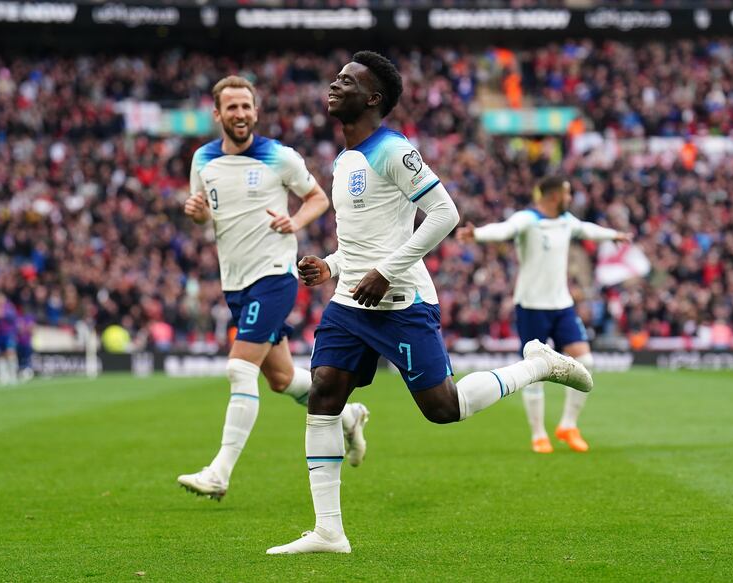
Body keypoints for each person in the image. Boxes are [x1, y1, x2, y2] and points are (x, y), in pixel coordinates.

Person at [266, 52, 593, 555]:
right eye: (336, 77)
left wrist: (388, 270)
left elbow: (444, 213)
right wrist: (331, 267)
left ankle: (537, 365)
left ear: (373, 98)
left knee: (443, 408)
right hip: (351, 301)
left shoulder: (393, 150)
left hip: (400, 299)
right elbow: (361, 243)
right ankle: (329, 531)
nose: (333, 84)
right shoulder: (344, 159)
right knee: (324, 396)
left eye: (347, 81)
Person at [178, 76, 369, 501]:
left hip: (274, 275)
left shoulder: (279, 156)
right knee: (281, 378)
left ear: (256, 111)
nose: (240, 114)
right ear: (218, 114)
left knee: (238, 368)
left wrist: (294, 222)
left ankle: (220, 472)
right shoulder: (203, 160)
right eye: (232, 108)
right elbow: (203, 213)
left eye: (246, 106)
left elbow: (318, 197)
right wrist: (194, 212)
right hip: (235, 282)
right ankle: (349, 417)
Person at [456, 176, 632, 453]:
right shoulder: (528, 220)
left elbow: (586, 229)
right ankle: (538, 434)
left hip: (562, 304)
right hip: (531, 306)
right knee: (533, 371)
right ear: (554, 196)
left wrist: (613, 235)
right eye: (567, 193)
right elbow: (505, 230)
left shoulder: (566, 221)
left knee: (585, 360)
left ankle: (568, 426)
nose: (570, 198)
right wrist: (477, 234)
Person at [0, 292, 19, 386]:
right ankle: (3, 376)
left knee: (10, 353)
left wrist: (2, 314)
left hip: (9, 334)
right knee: (1, 355)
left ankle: (13, 375)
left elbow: (12, 317)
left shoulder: (9, 307)